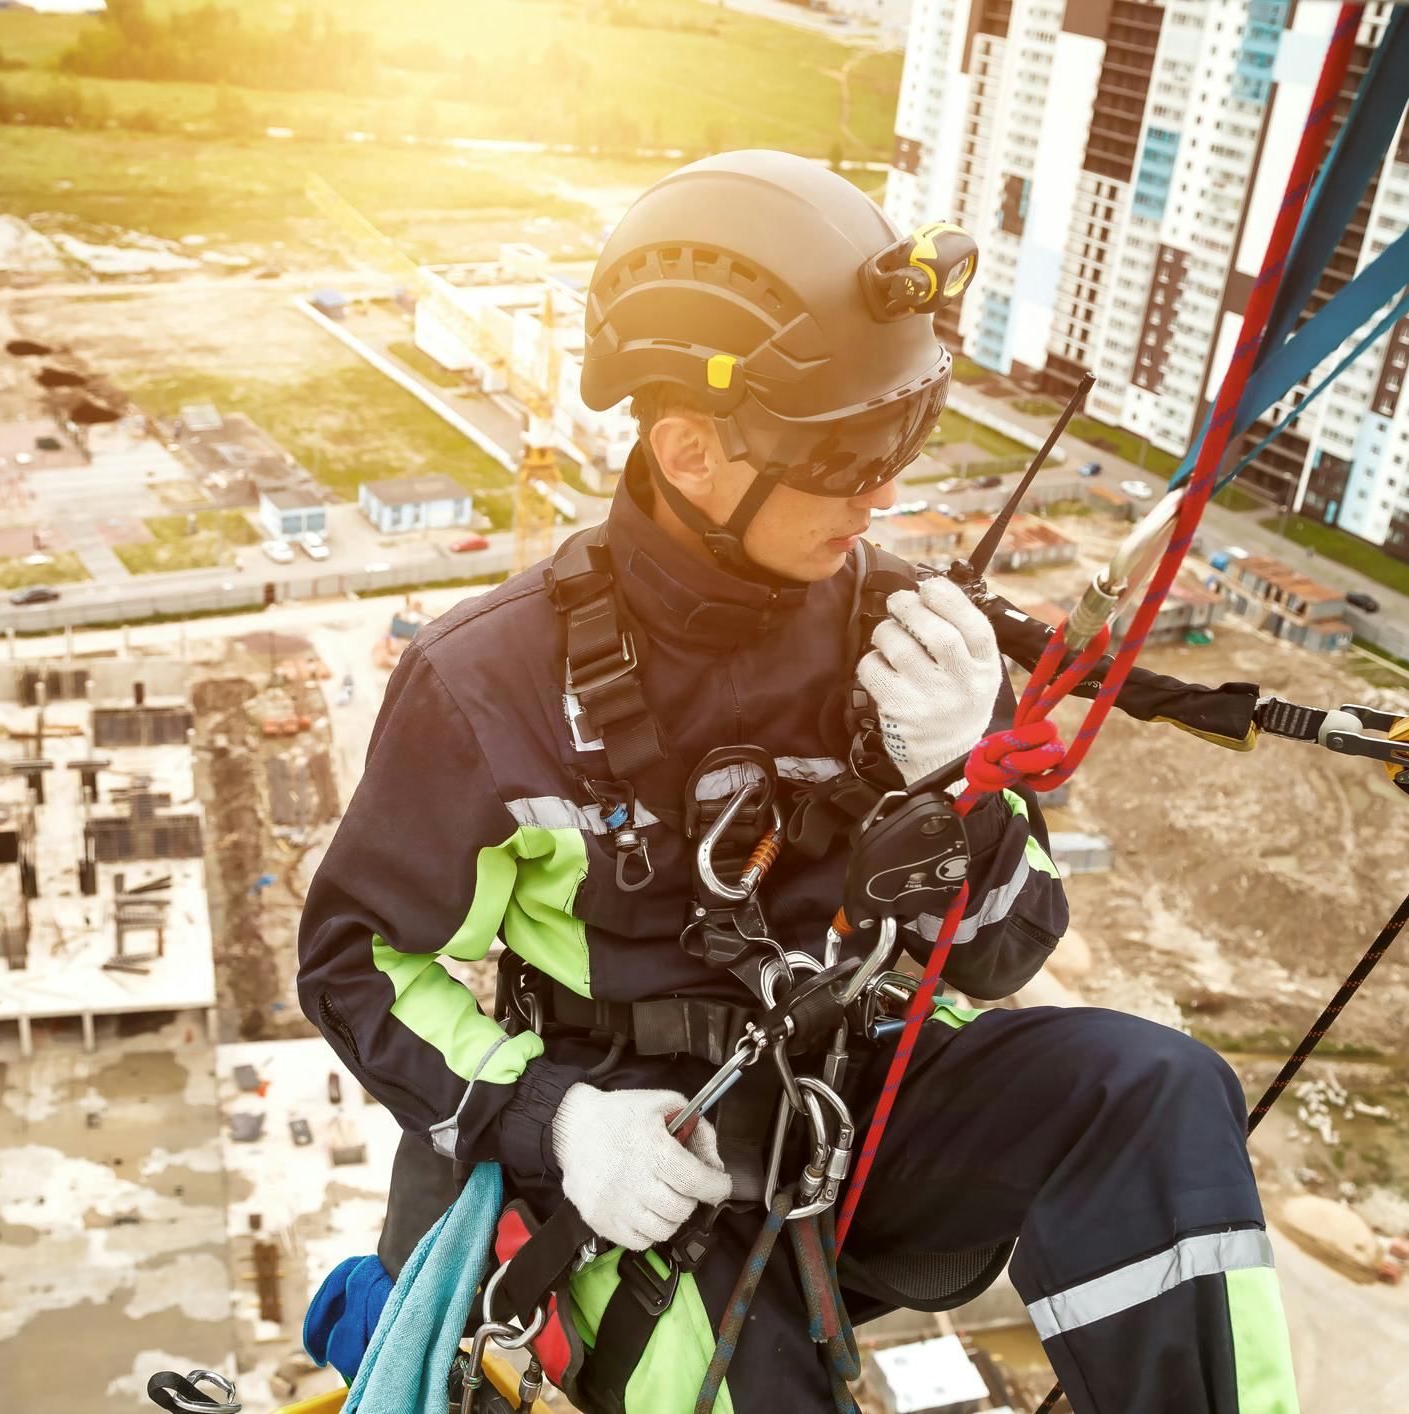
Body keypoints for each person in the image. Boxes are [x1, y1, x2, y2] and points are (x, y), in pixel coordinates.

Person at [298, 150, 1298, 1413]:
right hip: (643, 1154)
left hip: (860, 1099)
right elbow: (355, 963)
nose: (887, 490)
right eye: (849, 449)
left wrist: (960, 780)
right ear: (692, 449)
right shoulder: (488, 688)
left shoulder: (894, 639)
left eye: (905, 431)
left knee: (1152, 1093)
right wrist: (553, 1120)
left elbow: (1005, 950)